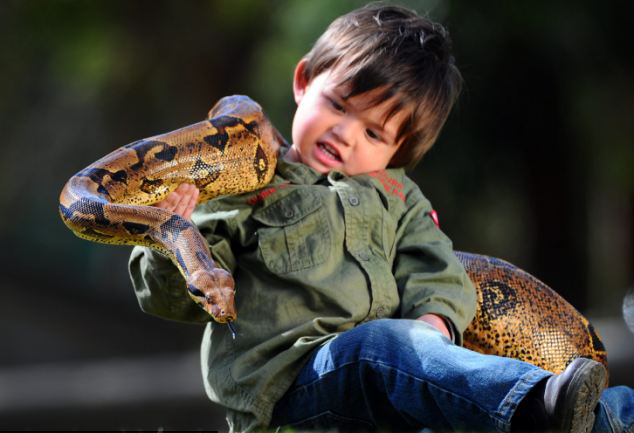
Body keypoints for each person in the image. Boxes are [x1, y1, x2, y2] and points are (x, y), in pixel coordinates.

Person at [128, 4, 630, 433]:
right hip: (287, 387)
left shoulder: (399, 196)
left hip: (390, 378)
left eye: (374, 134)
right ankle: (531, 409)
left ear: (399, 151)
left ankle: (608, 417)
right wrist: (168, 231)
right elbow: (181, 296)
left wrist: (430, 331)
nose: (346, 134)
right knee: (377, 346)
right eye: (338, 106)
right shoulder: (243, 181)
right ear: (303, 81)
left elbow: (437, 271)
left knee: (404, 355)